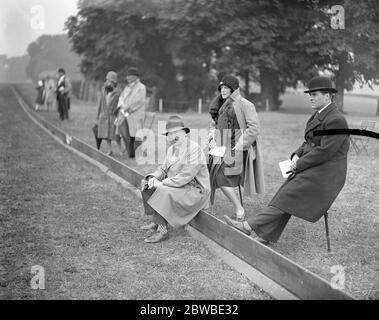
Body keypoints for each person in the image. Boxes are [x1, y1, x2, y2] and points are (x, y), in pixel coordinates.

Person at [224, 75, 350, 244]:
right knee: (285, 195)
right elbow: (309, 142)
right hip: (316, 166)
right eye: (310, 94)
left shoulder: (336, 120)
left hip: (328, 173)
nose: (310, 98)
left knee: (287, 195)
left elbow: (325, 151)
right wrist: (296, 154)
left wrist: (299, 163)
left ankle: (248, 226)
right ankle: (265, 235)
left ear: (327, 96)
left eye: (314, 94)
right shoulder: (320, 114)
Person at [140, 115, 211, 243]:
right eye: (170, 134)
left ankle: (163, 231)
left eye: (177, 132)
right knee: (146, 183)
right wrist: (153, 178)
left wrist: (161, 183)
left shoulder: (194, 149)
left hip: (195, 189)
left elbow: (186, 176)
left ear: (185, 133)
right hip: (179, 185)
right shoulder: (172, 149)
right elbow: (163, 169)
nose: (173, 137)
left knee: (163, 190)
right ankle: (157, 220)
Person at [208, 74, 265, 220]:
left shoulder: (246, 104)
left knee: (221, 173)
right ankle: (200, 203)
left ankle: (239, 208)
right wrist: (212, 137)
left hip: (237, 148)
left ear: (233, 89)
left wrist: (240, 146)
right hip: (221, 145)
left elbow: (254, 128)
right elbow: (215, 125)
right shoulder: (221, 105)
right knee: (205, 166)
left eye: (226, 88)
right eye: (221, 88)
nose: (223, 90)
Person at [115, 67, 146, 158]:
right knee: (123, 130)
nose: (127, 78)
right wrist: (122, 107)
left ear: (135, 76)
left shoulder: (141, 87)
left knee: (135, 132)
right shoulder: (127, 87)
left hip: (135, 113)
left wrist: (128, 108)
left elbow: (139, 101)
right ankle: (129, 150)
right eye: (127, 76)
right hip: (125, 113)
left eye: (129, 76)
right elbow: (121, 98)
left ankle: (136, 152)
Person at [96, 71, 123, 156]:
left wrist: (119, 116)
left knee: (116, 135)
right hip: (104, 114)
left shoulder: (118, 92)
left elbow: (120, 105)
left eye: (109, 80)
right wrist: (98, 114)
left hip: (113, 116)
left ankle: (121, 151)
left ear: (113, 81)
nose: (107, 81)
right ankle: (110, 150)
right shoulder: (103, 89)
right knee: (106, 135)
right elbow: (100, 101)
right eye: (107, 79)